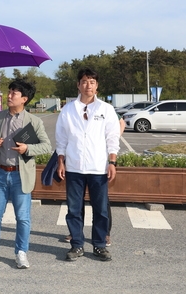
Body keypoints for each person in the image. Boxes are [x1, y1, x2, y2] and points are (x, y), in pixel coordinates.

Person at [0, 79, 52, 269]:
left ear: (24, 99)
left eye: (14, 93)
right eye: (10, 91)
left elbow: (46, 146)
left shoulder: (34, 121)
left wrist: (27, 148)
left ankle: (21, 252)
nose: (10, 95)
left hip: (19, 175)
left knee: (23, 217)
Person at [56, 68, 120, 262]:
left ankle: (99, 245)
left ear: (97, 86)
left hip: (98, 167)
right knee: (74, 210)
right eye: (84, 81)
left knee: (100, 210)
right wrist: (61, 161)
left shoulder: (106, 109)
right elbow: (61, 138)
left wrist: (112, 162)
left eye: (92, 82)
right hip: (74, 167)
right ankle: (77, 245)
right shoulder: (68, 109)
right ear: (78, 85)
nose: (88, 85)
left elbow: (112, 137)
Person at [64, 113, 125, 246]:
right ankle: (76, 234)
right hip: (77, 164)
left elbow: (121, 122)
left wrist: (109, 142)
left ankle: (105, 234)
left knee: (101, 205)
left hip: (98, 164)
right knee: (76, 204)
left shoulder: (105, 109)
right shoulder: (73, 109)